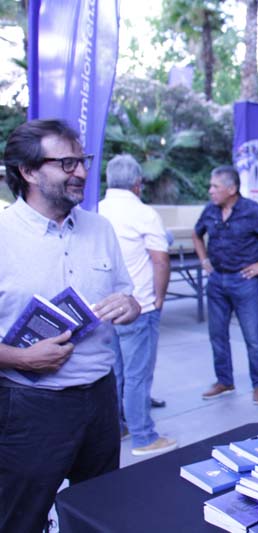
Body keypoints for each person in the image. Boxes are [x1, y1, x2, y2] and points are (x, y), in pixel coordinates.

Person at [0, 119, 140, 532]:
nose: (80, 172)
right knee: (21, 518)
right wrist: (21, 359)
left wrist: (129, 305)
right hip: (29, 407)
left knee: (99, 513)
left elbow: (128, 297)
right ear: (28, 171)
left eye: (82, 160)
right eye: (66, 163)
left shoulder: (101, 228)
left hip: (101, 399)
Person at [98, 154, 177, 456]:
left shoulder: (94, 211)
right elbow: (160, 260)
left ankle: (120, 426)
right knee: (138, 376)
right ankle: (144, 436)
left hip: (106, 308)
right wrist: (159, 298)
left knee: (116, 373)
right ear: (137, 183)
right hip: (139, 307)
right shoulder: (144, 213)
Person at [192, 166, 258, 404]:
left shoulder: (253, 211)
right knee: (217, 335)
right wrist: (204, 260)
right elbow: (196, 234)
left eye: (215, 186)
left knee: (252, 336)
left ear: (231, 189)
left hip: (244, 281)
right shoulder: (210, 210)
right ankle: (224, 381)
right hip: (217, 280)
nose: (210, 191)